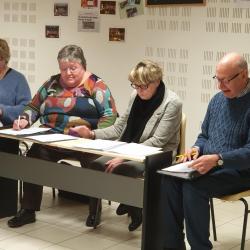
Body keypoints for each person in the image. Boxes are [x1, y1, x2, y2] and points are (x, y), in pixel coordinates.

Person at [7, 44, 117, 228]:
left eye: (73, 68)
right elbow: (34, 106)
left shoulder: (97, 86)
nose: (68, 73)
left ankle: (94, 210)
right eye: (64, 69)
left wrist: (92, 134)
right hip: (51, 137)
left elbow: (110, 117)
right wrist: (24, 119)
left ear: (83, 65)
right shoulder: (52, 84)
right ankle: (28, 210)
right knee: (33, 157)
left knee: (94, 165)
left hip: (84, 140)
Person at [70, 60, 182, 231]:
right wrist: (92, 134)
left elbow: (158, 141)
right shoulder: (135, 95)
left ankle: (133, 207)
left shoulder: (172, 102)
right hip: (128, 148)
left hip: (157, 154)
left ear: (156, 81)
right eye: (135, 86)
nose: (138, 91)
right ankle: (97, 212)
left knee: (123, 169)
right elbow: (120, 127)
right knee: (95, 165)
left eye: (143, 86)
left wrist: (122, 157)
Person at [160, 52, 250, 250]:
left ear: (244, 75)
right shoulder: (218, 100)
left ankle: (200, 247)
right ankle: (173, 245)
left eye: (226, 80)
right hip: (211, 164)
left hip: (241, 171)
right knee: (169, 179)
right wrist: (196, 148)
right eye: (218, 80)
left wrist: (218, 159)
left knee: (194, 186)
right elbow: (204, 136)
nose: (220, 86)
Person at [0, 38, 31, 217]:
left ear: (5, 59)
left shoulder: (18, 79)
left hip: (7, 132)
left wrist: (3, 110)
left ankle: (5, 206)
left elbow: (26, 108)